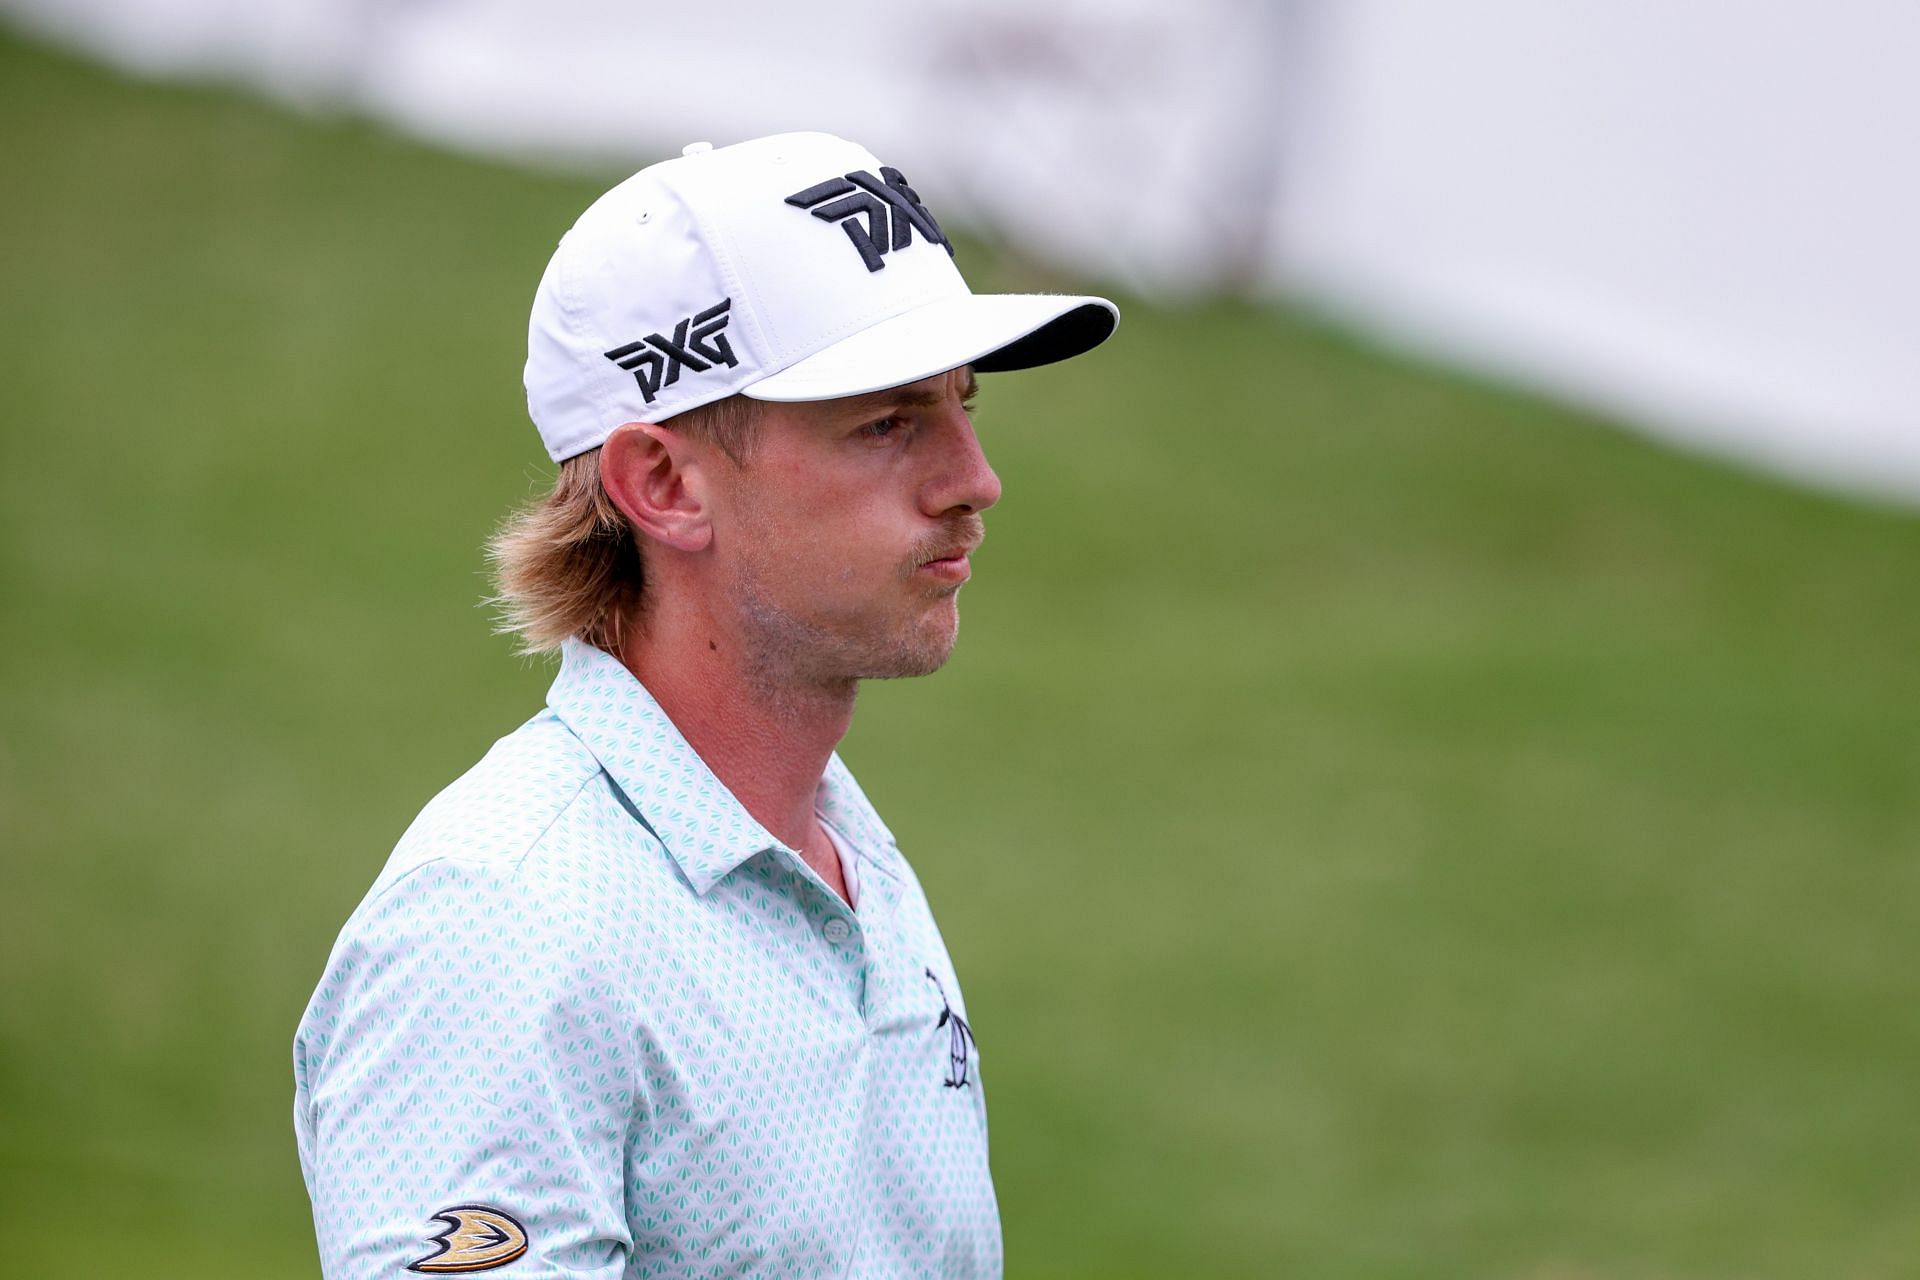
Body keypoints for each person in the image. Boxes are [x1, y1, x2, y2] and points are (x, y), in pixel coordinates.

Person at [292, 131, 1117, 1279]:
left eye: (963, 406)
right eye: (887, 422)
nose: (973, 479)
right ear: (666, 484)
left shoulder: (838, 848)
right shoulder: (501, 926)